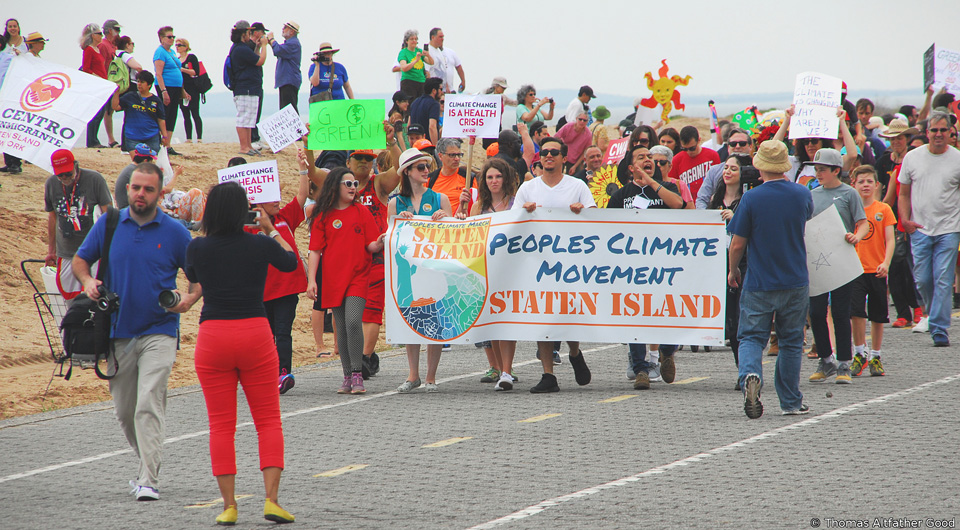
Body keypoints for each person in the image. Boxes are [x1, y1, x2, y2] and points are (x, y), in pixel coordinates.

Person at [174, 181, 297, 525]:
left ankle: (229, 505)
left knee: (220, 426)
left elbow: (196, 282)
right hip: (255, 332)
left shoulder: (196, 248)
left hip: (214, 335)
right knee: (268, 420)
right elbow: (290, 263)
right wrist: (271, 231)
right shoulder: (258, 244)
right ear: (244, 210)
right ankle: (271, 500)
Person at [72, 162, 193, 502]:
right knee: (126, 412)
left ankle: (148, 480)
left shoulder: (175, 231)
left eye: (149, 189)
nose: (141, 194)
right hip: (116, 332)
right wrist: (88, 281)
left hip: (160, 330)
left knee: (148, 403)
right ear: (127, 189)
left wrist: (189, 298)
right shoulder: (109, 223)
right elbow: (80, 261)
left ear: (159, 193)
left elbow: (198, 278)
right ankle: (147, 464)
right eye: (136, 188)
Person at [727, 140, 813, 418]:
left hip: (760, 280)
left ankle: (751, 375)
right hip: (795, 279)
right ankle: (790, 401)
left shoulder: (751, 198)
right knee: (790, 341)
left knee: (751, 336)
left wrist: (733, 270)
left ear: (760, 167)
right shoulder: (802, 194)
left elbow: (738, 243)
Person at [513, 137, 595, 393]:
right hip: (537, 265)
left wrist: (584, 209)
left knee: (568, 313)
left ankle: (574, 352)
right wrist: (523, 212)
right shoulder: (528, 188)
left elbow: (597, 219)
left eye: (554, 152)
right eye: (545, 152)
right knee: (542, 317)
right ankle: (548, 374)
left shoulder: (577, 186)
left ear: (564, 158)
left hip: (570, 264)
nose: (549, 155)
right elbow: (512, 221)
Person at [606, 144, 684, 390]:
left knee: (666, 310)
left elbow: (678, 205)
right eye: (642, 157)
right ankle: (640, 368)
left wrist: (651, 182)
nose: (648, 159)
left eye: (651, 157)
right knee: (635, 315)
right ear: (631, 168)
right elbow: (607, 225)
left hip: (664, 264)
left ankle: (667, 352)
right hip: (633, 267)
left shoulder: (667, 188)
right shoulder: (621, 195)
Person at [247, 149, 310, 394]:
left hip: (287, 289)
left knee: (283, 332)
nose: (277, 200)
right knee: (267, 334)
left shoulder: (285, 217)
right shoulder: (249, 226)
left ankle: (284, 372)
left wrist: (302, 167)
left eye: (278, 195)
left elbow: (303, 196)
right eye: (270, 197)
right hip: (261, 292)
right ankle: (267, 373)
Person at [390, 149, 452, 393]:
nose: (427, 171)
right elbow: (390, 237)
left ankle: (431, 377)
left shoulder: (440, 198)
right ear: (407, 172)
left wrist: (445, 219)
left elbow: (454, 235)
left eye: (427, 167)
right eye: (421, 168)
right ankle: (413, 374)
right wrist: (399, 221)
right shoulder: (396, 203)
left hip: (433, 268)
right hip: (406, 270)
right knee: (410, 317)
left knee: (434, 319)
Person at [898, 111, 960, 347]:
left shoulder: (957, 159)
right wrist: (905, 220)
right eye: (934, 130)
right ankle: (935, 316)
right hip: (920, 228)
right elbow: (903, 193)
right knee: (923, 280)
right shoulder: (912, 158)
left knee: (943, 278)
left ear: (950, 133)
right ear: (926, 133)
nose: (938, 134)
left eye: (943, 130)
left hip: (949, 228)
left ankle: (939, 328)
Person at [469, 158, 520, 390]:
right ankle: (500, 369)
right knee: (492, 323)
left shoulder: (516, 204)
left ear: (505, 178)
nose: (494, 181)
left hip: (510, 271)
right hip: (485, 271)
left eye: (498, 176)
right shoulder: (477, 206)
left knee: (506, 322)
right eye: (489, 177)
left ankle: (507, 371)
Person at [44, 149, 112, 300]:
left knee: (93, 295)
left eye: (68, 173)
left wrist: (110, 249)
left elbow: (109, 215)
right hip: (66, 252)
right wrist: (51, 250)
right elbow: (53, 217)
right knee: (69, 299)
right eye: (60, 174)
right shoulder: (51, 184)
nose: (64, 177)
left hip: (93, 252)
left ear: (75, 165)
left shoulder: (95, 179)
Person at [709, 154, 751, 384]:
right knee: (731, 323)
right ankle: (741, 369)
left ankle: (744, 372)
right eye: (725, 168)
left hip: (742, 264)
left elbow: (753, 230)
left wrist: (735, 219)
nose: (727, 172)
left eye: (733, 168)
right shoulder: (716, 198)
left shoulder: (747, 199)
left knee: (741, 321)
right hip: (718, 264)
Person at [848, 165, 894, 378]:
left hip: (876, 269)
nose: (865, 185)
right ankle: (860, 352)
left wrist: (886, 262)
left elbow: (890, 239)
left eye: (869, 182)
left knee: (878, 315)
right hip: (855, 270)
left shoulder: (883, 209)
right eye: (861, 182)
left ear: (876, 185)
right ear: (853, 185)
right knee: (856, 313)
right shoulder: (850, 210)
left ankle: (876, 355)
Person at [878, 119, 924, 328]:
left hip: (914, 218)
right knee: (895, 267)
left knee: (911, 267)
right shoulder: (884, 162)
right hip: (893, 219)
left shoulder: (915, 160)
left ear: (906, 139)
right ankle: (902, 312)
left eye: (900, 138)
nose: (896, 142)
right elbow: (885, 194)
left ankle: (918, 308)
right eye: (893, 139)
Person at [229, 21, 267, 156]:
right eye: (248, 32)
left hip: (250, 88)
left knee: (250, 118)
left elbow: (254, 58)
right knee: (244, 118)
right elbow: (260, 61)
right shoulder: (240, 48)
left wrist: (257, 47)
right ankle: (243, 146)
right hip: (245, 88)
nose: (249, 35)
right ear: (243, 33)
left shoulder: (241, 48)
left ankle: (248, 145)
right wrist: (264, 46)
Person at [695, 128, 754, 209]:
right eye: (733, 144)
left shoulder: (757, 170)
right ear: (728, 147)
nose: (737, 146)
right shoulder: (714, 170)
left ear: (750, 146)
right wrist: (708, 218)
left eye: (742, 143)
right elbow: (701, 199)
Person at [111, 70, 165, 153]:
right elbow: (116, 107)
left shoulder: (156, 100)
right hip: (132, 136)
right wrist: (116, 93)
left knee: (149, 163)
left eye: (142, 82)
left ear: (149, 85)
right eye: (138, 81)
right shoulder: (130, 96)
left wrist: (165, 136)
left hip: (151, 135)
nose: (139, 84)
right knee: (137, 162)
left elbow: (161, 119)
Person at [153, 26, 183, 155]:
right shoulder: (160, 52)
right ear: (162, 38)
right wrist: (164, 91)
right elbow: (159, 74)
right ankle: (161, 142)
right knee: (165, 114)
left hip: (176, 87)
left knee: (173, 115)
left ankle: (168, 144)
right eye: (169, 37)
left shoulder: (171, 52)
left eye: (173, 37)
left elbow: (177, 70)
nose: (172, 39)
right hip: (166, 86)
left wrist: (183, 90)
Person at [669, 125, 720, 203]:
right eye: (684, 149)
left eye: (692, 148)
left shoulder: (712, 155)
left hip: (708, 203)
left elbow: (719, 182)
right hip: (687, 205)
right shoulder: (676, 160)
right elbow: (672, 185)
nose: (689, 152)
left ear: (699, 140)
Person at [80, 23, 109, 148]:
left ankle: (94, 139)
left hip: (102, 84)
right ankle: (92, 141)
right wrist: (98, 79)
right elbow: (86, 68)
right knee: (95, 114)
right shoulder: (89, 50)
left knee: (101, 112)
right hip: (96, 84)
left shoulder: (97, 49)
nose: (101, 36)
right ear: (92, 35)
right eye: (99, 34)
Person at [268, 21, 302, 113]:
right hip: (286, 81)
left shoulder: (293, 43)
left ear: (292, 32)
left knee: (289, 110)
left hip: (289, 81)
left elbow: (278, 50)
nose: (283, 29)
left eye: (285, 28)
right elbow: (279, 50)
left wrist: (272, 39)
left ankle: (294, 127)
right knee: (285, 110)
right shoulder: (290, 44)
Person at [429, 137, 470, 212]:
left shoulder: (468, 178)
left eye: (459, 155)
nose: (457, 158)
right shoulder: (430, 179)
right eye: (452, 155)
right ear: (440, 156)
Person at [99, 19, 122, 148]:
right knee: (106, 110)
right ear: (110, 30)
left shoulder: (113, 46)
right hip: (106, 80)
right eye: (117, 30)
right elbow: (101, 64)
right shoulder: (103, 45)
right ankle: (110, 139)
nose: (118, 33)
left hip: (113, 81)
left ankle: (111, 138)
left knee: (110, 110)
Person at [175, 37, 203, 143]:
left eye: (180, 45)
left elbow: (196, 72)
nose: (177, 47)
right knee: (185, 115)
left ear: (185, 47)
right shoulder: (176, 60)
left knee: (195, 113)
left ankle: (199, 138)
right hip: (181, 89)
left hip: (193, 88)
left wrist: (182, 69)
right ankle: (189, 138)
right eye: (176, 45)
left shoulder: (191, 58)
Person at [424, 27, 465, 93]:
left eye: (443, 37)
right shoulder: (428, 51)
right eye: (440, 37)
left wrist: (446, 87)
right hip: (434, 90)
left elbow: (444, 70)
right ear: (433, 37)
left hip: (444, 90)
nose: (442, 39)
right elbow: (426, 72)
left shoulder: (439, 51)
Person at [397, 29, 432, 98]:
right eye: (412, 39)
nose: (414, 41)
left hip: (421, 81)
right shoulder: (403, 52)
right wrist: (415, 60)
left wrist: (428, 55)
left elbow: (431, 62)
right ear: (407, 41)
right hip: (409, 81)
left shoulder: (419, 51)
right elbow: (404, 68)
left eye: (415, 39)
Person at [408, 77, 443, 146]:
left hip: (415, 145)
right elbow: (432, 127)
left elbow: (409, 125)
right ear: (434, 91)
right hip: (426, 144)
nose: (442, 92)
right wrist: (435, 147)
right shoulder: (434, 104)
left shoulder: (415, 102)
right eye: (440, 89)